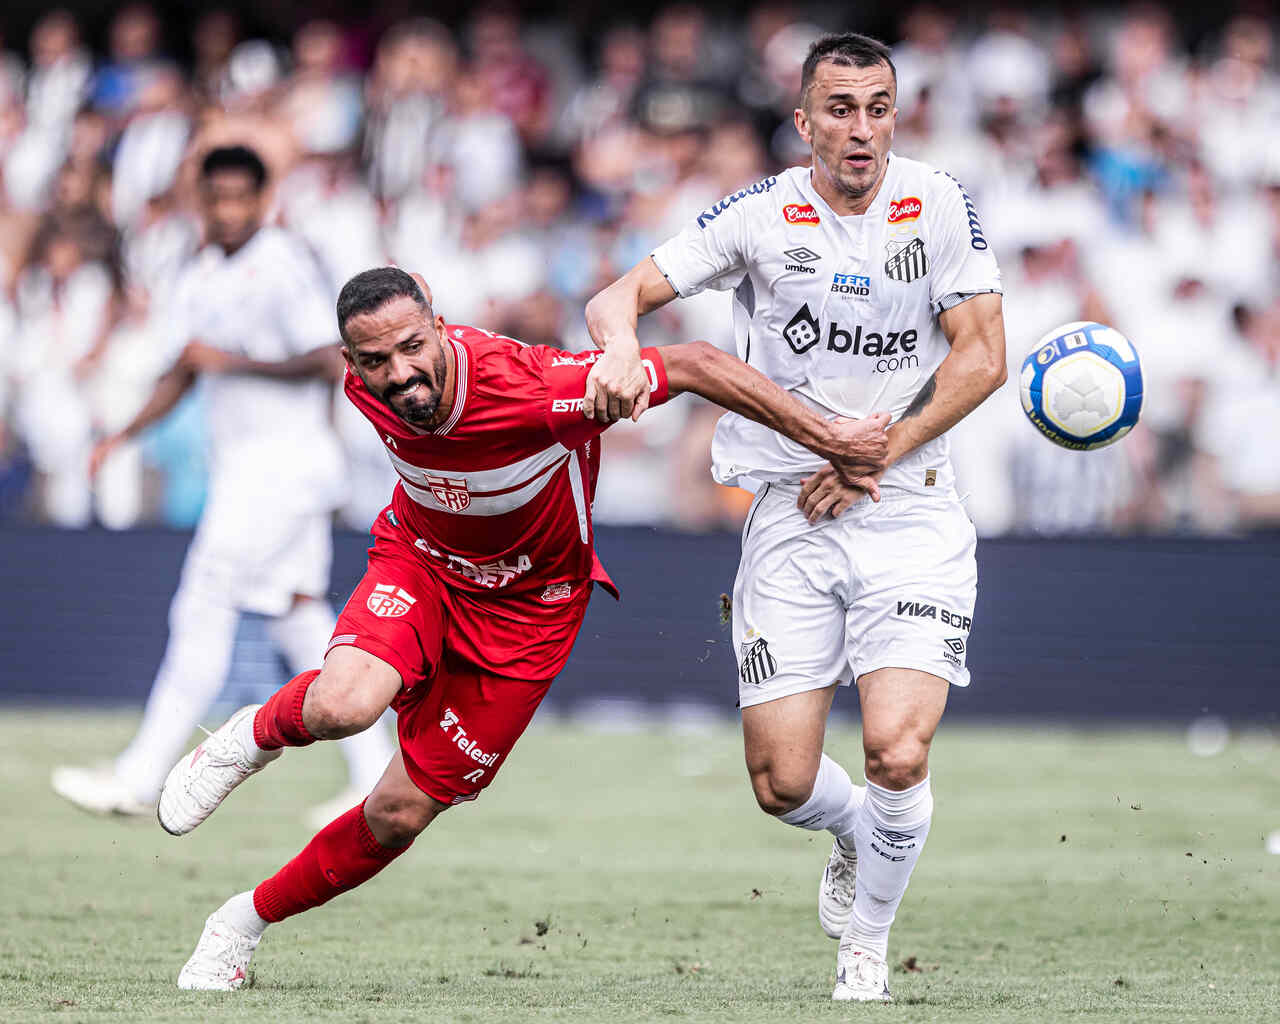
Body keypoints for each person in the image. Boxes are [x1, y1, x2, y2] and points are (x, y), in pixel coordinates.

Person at [159, 265, 889, 990]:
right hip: (421, 566)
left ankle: (238, 923)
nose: (401, 374)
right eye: (376, 362)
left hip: (529, 615)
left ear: (439, 326)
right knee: (344, 706)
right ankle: (248, 738)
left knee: (398, 813)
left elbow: (696, 363)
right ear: (351, 365)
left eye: (414, 347)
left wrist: (831, 440)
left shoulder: (533, 390)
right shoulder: (365, 387)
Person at [583, 33, 1007, 1002]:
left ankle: (864, 947)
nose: (861, 130)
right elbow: (620, 296)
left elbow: (981, 355)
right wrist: (614, 347)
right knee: (779, 782)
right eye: (841, 109)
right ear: (803, 121)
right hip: (788, 515)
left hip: (909, 508)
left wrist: (870, 453)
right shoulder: (759, 215)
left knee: (897, 746)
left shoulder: (936, 202)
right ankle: (856, 831)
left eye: (878, 108)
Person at [50, 145, 394, 827]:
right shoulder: (198, 271)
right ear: (202, 201)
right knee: (298, 613)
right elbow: (185, 367)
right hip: (254, 467)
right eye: (219, 197)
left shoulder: (283, 264)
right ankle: (373, 775)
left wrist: (230, 363)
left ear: (263, 200)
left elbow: (329, 360)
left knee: (204, 600)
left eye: (243, 197)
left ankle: (141, 775)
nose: (231, 210)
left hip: (283, 465)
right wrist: (122, 433)